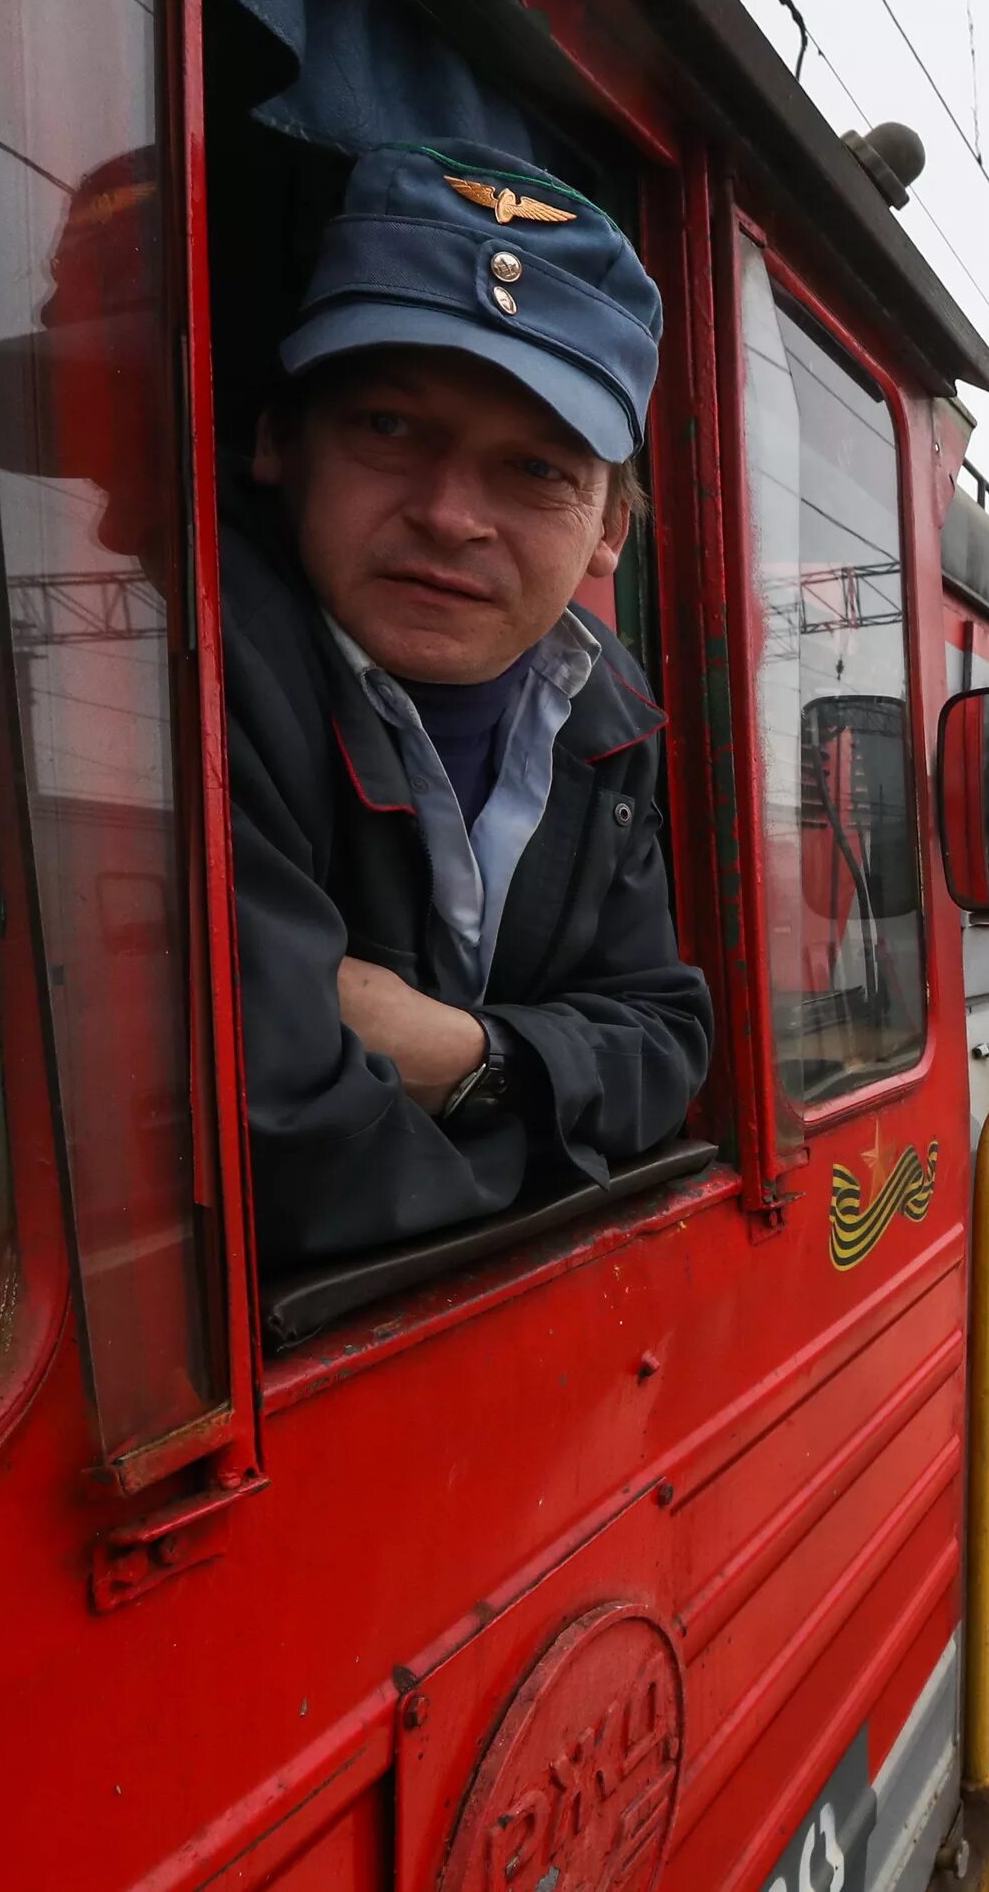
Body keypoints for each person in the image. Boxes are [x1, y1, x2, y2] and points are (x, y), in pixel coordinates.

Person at [228, 141, 712, 1270]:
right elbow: (284, 1157)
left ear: (607, 533)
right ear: (277, 443)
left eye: (537, 469)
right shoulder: (191, 661)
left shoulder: (608, 707)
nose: (451, 515)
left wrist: (472, 1056)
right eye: (390, 428)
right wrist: (554, 1156)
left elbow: (669, 1039)